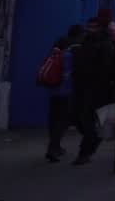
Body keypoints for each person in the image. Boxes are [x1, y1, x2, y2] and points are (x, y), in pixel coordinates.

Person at [69, 17, 113, 165]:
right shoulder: (85, 42)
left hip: (97, 88)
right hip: (84, 86)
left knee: (90, 121)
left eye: (94, 27)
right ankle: (89, 146)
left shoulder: (105, 44)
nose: (90, 29)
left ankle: (85, 151)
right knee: (82, 120)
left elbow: (106, 68)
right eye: (89, 26)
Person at [43, 25, 81, 162]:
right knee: (63, 118)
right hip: (67, 88)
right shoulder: (77, 47)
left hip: (54, 86)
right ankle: (53, 147)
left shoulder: (60, 42)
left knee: (54, 117)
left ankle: (55, 145)